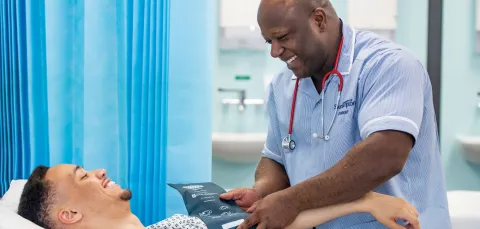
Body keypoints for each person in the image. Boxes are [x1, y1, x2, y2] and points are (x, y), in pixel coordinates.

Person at [220, 0, 451, 229]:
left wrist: (292, 200)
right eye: (269, 41)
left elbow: (385, 156)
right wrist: (261, 192)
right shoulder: (282, 85)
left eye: (283, 37)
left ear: (318, 20)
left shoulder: (387, 64)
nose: (274, 51)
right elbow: (275, 158)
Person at [16, 164, 420, 229]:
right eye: (83, 175)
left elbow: (273, 222)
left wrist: (365, 202)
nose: (99, 171)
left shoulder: (182, 224)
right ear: (67, 214)